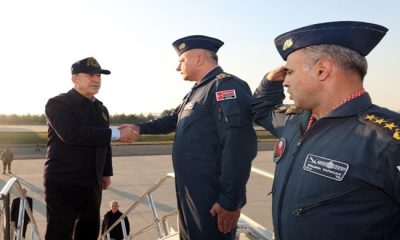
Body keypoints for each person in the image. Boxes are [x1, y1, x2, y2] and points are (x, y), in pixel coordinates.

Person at [252, 21, 400, 239]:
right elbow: (259, 109)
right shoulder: (294, 121)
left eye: (290, 72)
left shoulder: (388, 139)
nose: (285, 82)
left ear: (322, 70)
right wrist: (268, 82)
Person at [121, 35, 257, 240]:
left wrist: (230, 199)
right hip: (190, 190)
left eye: (181, 60)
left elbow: (238, 145)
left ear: (199, 59)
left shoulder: (225, 87)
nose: (178, 67)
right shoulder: (198, 91)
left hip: (210, 193)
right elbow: (172, 120)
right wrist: (138, 128)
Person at [44, 57, 138, 240]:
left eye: (99, 76)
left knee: (88, 231)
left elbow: (104, 143)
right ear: (75, 79)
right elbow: (71, 134)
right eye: (90, 75)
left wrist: (105, 172)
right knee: (60, 232)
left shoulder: (100, 109)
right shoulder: (58, 104)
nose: (96, 80)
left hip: (91, 181)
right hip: (64, 181)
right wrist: (117, 133)